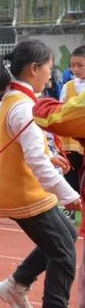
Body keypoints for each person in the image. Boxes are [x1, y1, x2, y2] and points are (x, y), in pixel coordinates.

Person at [0, 40, 80, 308]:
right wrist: (71, 195)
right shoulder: (24, 106)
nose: (51, 76)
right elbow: (36, 163)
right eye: (49, 69)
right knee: (64, 251)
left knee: (65, 234)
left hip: (21, 185)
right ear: (34, 68)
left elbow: (28, 148)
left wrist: (49, 155)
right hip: (21, 190)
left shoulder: (16, 98)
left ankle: (15, 285)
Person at [58, 45, 85, 219]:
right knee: (70, 176)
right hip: (69, 141)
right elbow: (60, 110)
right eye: (72, 65)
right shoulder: (68, 87)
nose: (75, 69)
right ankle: (70, 212)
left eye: (80, 65)